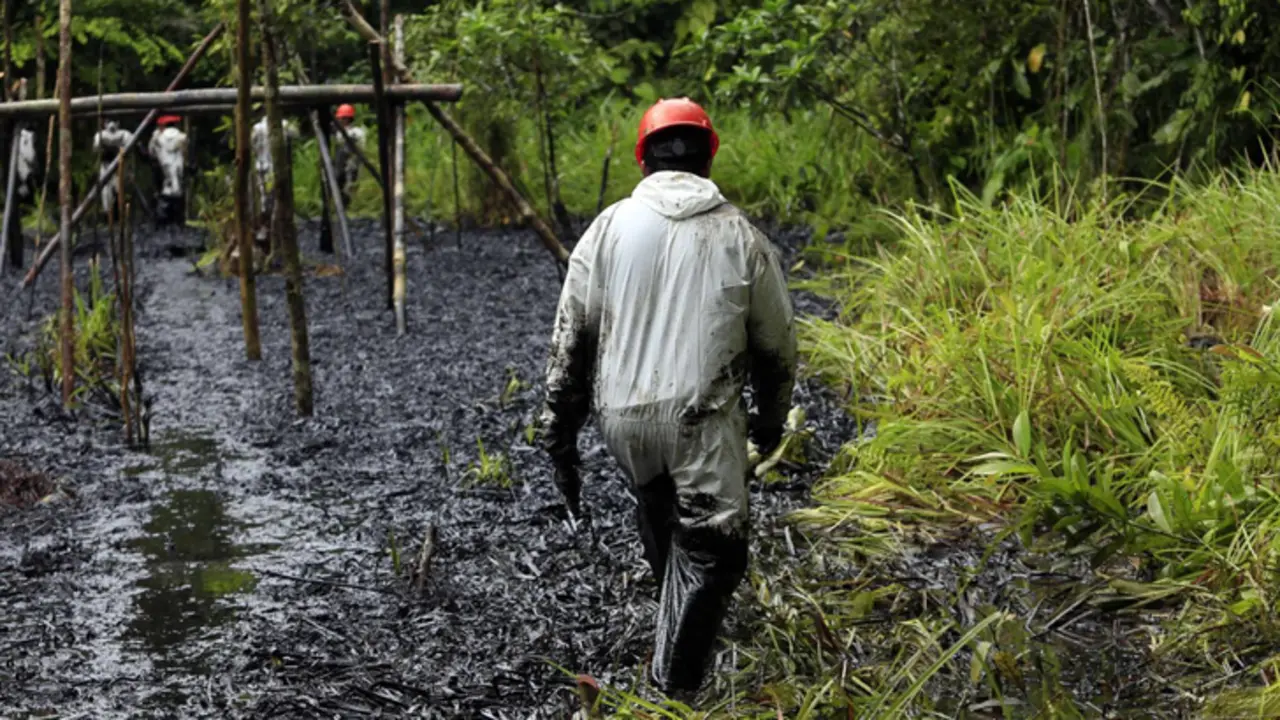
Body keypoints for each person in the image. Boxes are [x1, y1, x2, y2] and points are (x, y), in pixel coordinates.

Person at [539, 97, 797, 700]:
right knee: (717, 551)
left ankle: (670, 620)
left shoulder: (606, 229)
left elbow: (571, 337)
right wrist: (770, 420)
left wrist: (562, 428)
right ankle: (670, 688)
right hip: (700, 418)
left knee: (658, 507)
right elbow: (777, 346)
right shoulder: (739, 234)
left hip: (621, 419)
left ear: (642, 158)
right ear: (709, 155)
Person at [251, 113, 300, 243]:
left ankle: (267, 227)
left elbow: (251, 145)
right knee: (274, 197)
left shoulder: (258, 128)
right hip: (274, 167)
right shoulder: (284, 125)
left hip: (262, 166)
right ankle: (271, 227)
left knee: (265, 198)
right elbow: (296, 134)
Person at [147, 115, 188, 226]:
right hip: (178, 171)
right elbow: (185, 153)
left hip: (164, 171)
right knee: (177, 189)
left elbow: (151, 153)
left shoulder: (157, 138)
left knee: (165, 190)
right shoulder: (182, 137)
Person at [92, 120, 133, 222]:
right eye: (108, 122)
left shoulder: (125, 134)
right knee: (106, 191)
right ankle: (108, 215)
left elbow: (129, 147)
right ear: (104, 124)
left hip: (121, 165)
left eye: (114, 121)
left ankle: (120, 213)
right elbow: (96, 148)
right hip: (106, 165)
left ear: (118, 123)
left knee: (119, 189)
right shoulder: (100, 135)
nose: (111, 125)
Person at [331, 103, 366, 208]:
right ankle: (341, 205)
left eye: (342, 119)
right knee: (339, 183)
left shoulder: (356, 132)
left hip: (352, 162)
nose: (340, 121)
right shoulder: (340, 133)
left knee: (350, 184)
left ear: (347, 119)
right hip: (342, 162)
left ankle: (349, 205)